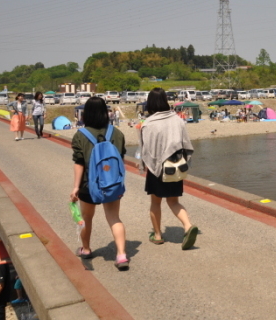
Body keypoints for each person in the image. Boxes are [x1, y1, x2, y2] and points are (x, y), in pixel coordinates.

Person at [70, 97, 129, 270]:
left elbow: (79, 163)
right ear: (105, 112)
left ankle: (86, 249)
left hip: (89, 186)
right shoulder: (117, 133)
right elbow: (121, 159)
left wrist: (75, 188)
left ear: (86, 113)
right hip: (112, 184)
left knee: (86, 218)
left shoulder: (80, 135)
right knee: (114, 217)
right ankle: (121, 255)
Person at [139, 88, 198, 250]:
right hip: (175, 166)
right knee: (173, 201)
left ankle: (157, 235)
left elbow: (147, 151)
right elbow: (186, 145)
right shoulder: (177, 120)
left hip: (156, 168)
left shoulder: (148, 123)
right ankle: (187, 226)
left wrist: (146, 165)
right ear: (165, 100)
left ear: (150, 103)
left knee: (155, 202)